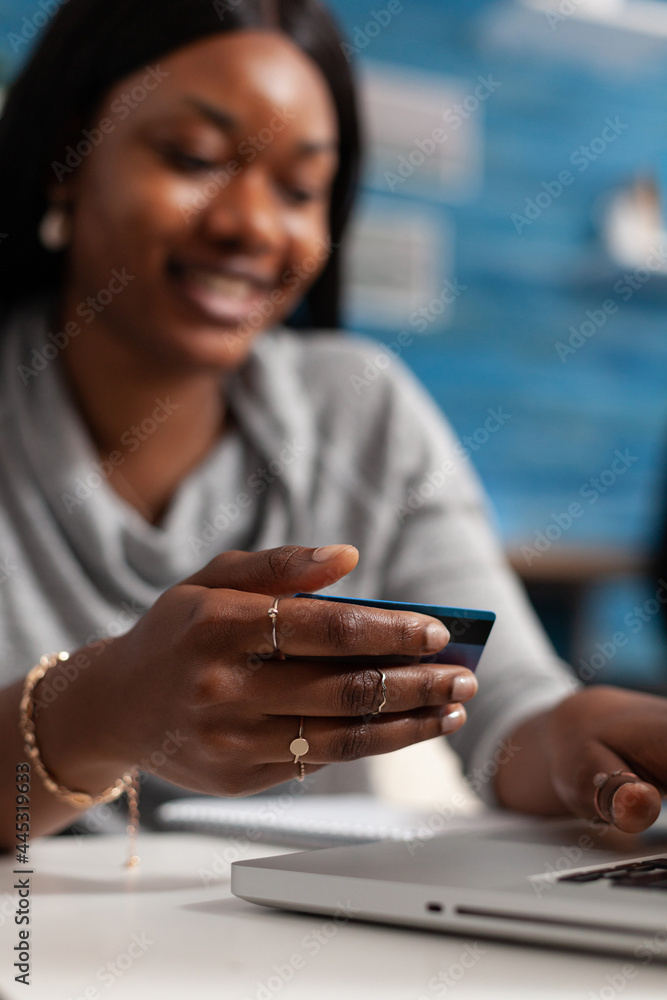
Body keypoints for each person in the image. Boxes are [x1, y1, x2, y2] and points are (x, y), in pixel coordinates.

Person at [0, 0, 664, 853]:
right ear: (67, 154)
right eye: (193, 157)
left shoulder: (358, 408)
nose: (252, 223)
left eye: (300, 188)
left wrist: (582, 738)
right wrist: (98, 711)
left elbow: (505, 712)